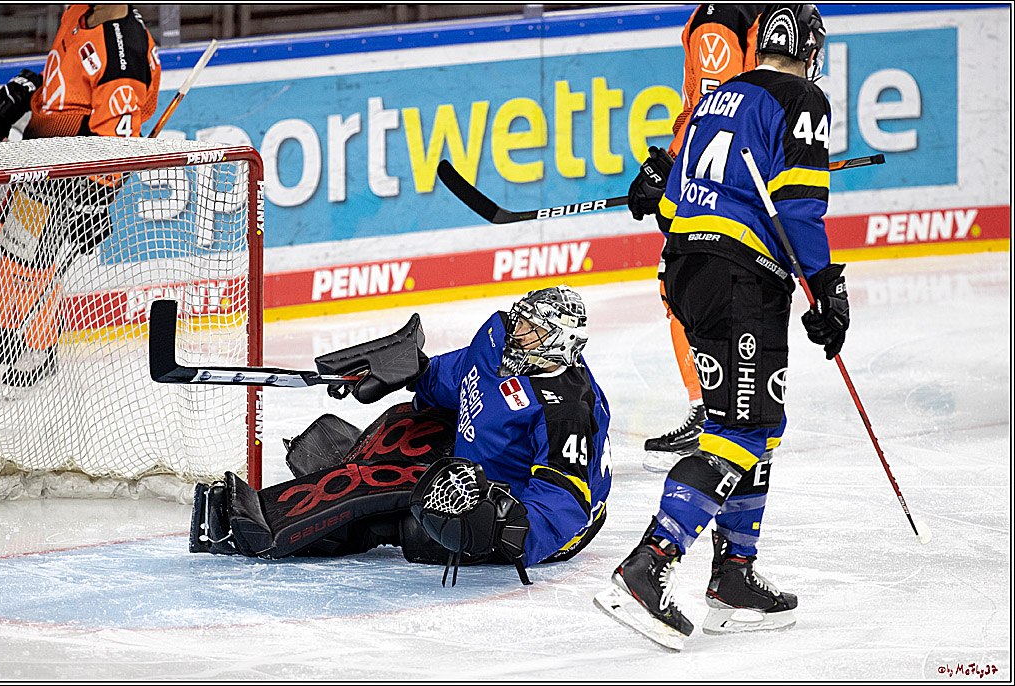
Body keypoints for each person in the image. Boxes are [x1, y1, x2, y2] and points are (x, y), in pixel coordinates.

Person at [596, 5, 846, 651]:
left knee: (757, 424)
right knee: (739, 430)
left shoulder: (720, 94)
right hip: (740, 282)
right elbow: (797, 209)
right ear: (811, 49)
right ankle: (646, 567)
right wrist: (826, 288)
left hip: (689, 270)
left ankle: (733, 577)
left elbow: (677, 200)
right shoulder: (804, 97)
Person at [191, 285, 612, 585]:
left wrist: (510, 529)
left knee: (393, 507)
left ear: (561, 345)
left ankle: (253, 530)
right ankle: (349, 468)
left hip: (523, 515)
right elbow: (460, 378)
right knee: (401, 424)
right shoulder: (497, 345)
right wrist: (412, 374)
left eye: (532, 332)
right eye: (521, 321)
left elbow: (566, 502)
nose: (518, 334)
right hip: (474, 459)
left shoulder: (569, 412)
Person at [629, 4, 764, 473]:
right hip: (747, 173)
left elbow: (715, 109)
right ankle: (732, 411)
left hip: (715, 180)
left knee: (687, 287)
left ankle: (716, 411)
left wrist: (670, 168)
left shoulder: (720, 17)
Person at [0, 4, 160, 386]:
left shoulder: (124, 53)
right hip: (42, 157)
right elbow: (70, 84)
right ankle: (14, 343)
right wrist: (31, 88)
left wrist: (96, 199)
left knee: (28, 264)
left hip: (67, 172)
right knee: (15, 258)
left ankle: (30, 359)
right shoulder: (81, 10)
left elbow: (114, 140)